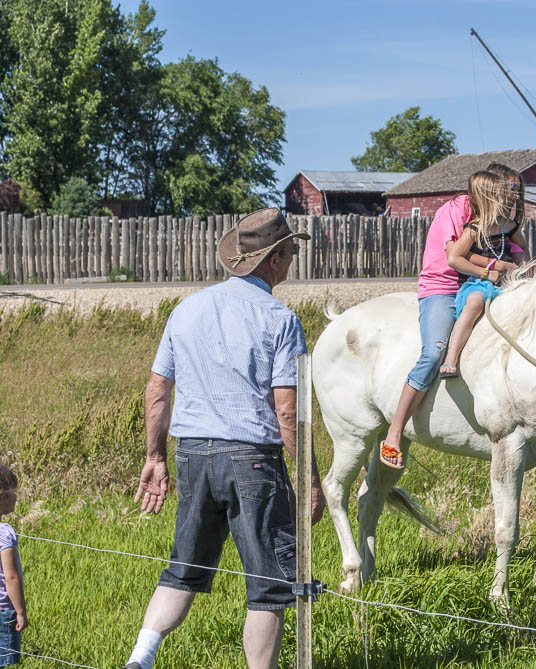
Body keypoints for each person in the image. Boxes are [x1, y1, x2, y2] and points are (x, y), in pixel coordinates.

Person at [122, 208, 326, 669]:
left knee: (184, 567)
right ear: (272, 260)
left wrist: (155, 456)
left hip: (193, 452)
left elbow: (158, 388)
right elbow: (288, 410)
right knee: (270, 583)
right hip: (252, 456)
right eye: (291, 252)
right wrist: (310, 479)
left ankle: (142, 656)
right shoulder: (281, 319)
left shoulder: (185, 309)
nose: (293, 260)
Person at [379, 165, 525, 469]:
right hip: (444, 286)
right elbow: (457, 257)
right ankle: (395, 431)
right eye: (508, 189)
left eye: (515, 190)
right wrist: (499, 268)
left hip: (481, 283)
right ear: (492, 187)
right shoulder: (456, 210)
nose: (513, 196)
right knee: (433, 352)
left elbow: (513, 247)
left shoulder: (499, 217)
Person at [438, 176, 528, 378]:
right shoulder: (474, 229)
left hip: (508, 281)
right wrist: (487, 272)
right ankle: (451, 357)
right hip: (479, 281)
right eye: (503, 196)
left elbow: (522, 250)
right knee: (475, 303)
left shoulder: (510, 226)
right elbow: (455, 258)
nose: (509, 199)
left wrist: (525, 265)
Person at [0, 464, 26, 667]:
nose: (16, 497)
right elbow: (11, 577)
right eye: (13, 492)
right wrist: (20, 612)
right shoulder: (5, 533)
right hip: (4, 612)